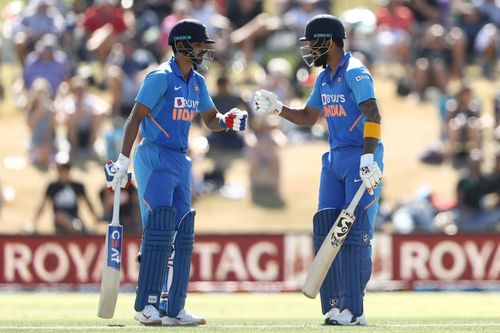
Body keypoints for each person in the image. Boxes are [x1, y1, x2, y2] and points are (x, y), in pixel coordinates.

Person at [104, 19, 248, 326]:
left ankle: (174, 308)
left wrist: (229, 121)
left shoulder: (196, 82)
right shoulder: (159, 77)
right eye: (200, 45)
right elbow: (134, 119)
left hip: (181, 160)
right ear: (182, 45)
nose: (204, 51)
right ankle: (146, 305)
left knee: (183, 231)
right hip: (154, 156)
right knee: (158, 230)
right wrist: (122, 161)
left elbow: (210, 119)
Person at [253, 14, 383, 326]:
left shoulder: (355, 71)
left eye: (313, 43)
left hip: (360, 158)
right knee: (327, 229)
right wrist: (277, 108)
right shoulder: (324, 78)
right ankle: (336, 305)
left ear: (330, 41)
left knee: (355, 233)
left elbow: (373, 114)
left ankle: (355, 309)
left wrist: (368, 157)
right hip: (335, 159)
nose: (309, 49)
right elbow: (310, 117)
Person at [31, 159, 99, 234]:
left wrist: (96, 219)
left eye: (66, 169)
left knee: (76, 222)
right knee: (61, 216)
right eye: (60, 169)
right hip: (59, 220)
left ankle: (79, 229)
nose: (63, 172)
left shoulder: (78, 186)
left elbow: (88, 203)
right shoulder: (52, 186)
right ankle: (78, 230)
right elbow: (42, 205)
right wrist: (34, 223)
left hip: (75, 217)